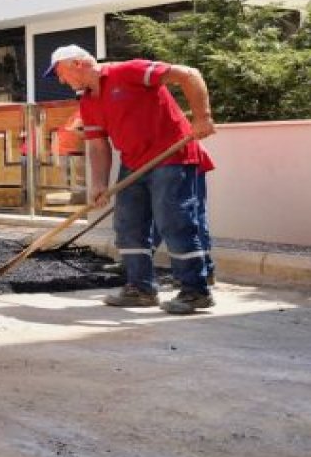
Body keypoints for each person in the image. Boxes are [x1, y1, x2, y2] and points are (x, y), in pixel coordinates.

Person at [45, 44, 216, 315]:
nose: (61, 81)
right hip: (134, 163)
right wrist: (99, 184)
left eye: (60, 73)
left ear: (77, 63)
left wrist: (202, 117)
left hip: (171, 158)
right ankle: (140, 289)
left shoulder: (128, 71)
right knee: (128, 226)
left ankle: (195, 291)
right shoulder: (88, 102)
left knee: (174, 223)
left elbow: (189, 74)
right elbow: (98, 146)